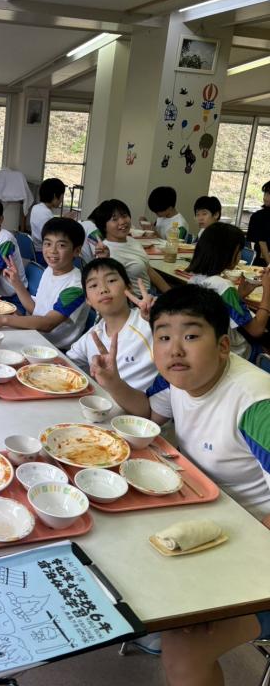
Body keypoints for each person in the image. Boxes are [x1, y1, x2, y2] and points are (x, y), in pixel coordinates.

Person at [88, 284, 270, 686]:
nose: (174, 350)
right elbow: (148, 414)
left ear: (223, 346)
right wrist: (112, 382)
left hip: (257, 545)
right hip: (206, 515)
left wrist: (223, 574)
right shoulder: (177, 379)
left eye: (190, 335)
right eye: (164, 337)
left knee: (186, 649)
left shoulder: (256, 405)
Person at [0, 217, 89, 350]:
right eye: (48, 244)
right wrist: (16, 283)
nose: (52, 251)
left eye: (61, 245)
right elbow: (35, 310)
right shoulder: (50, 270)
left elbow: (48, 324)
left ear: (76, 251)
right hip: (35, 335)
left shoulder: (76, 287)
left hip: (52, 349)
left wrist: (3, 319)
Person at [67, 258, 157, 391]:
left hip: (143, 403)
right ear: (88, 300)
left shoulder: (150, 322)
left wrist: (159, 315)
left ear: (128, 287)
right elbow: (66, 363)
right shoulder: (94, 334)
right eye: (93, 285)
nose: (103, 289)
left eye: (111, 280)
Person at [185, 222, 270, 359]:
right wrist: (268, 292)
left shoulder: (194, 279)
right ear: (226, 253)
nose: (240, 255)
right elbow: (256, 330)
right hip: (235, 353)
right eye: (239, 251)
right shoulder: (224, 286)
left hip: (208, 348)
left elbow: (221, 309)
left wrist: (239, 295)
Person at [91, 199, 169, 296]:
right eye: (115, 219)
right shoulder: (104, 251)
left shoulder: (133, 241)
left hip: (151, 293)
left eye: (124, 216)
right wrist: (105, 260)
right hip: (137, 300)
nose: (122, 221)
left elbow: (149, 271)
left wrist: (170, 294)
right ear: (104, 226)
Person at [30, 178, 65, 265]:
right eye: (62, 196)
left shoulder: (36, 207)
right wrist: (65, 221)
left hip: (35, 251)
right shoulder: (46, 213)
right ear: (55, 196)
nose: (62, 200)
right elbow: (53, 235)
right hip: (43, 255)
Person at [247, 180, 270, 266]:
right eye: (265, 194)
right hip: (262, 263)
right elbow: (262, 243)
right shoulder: (258, 216)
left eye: (269, 194)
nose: (265, 198)